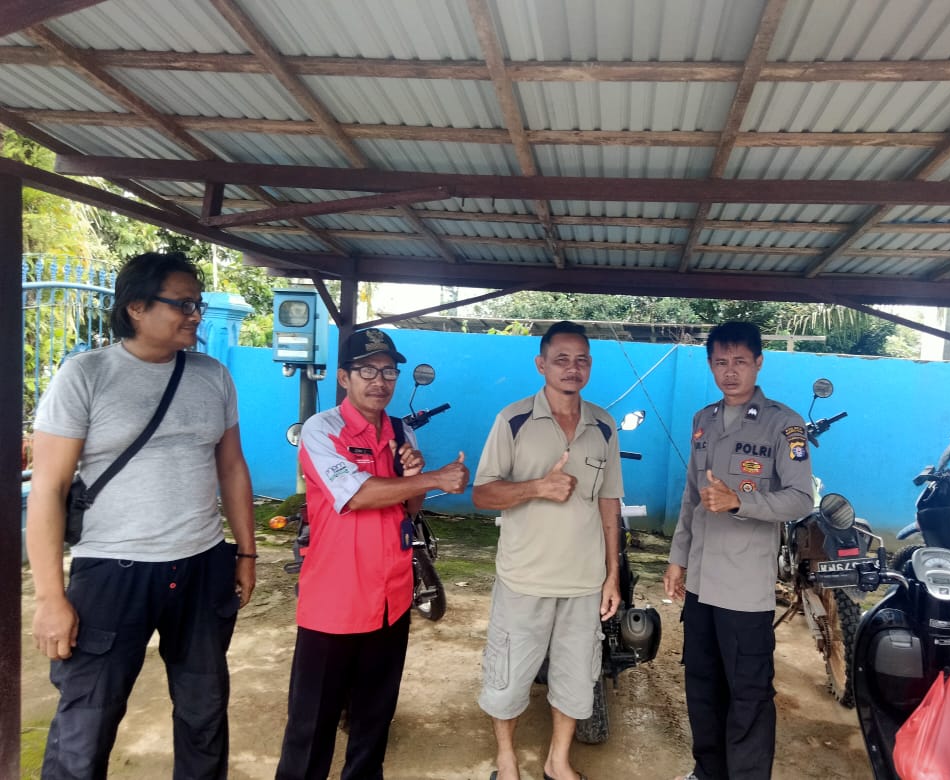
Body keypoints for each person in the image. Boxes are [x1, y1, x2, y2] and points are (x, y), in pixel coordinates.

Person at [27, 251, 257, 779]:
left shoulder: (213, 376)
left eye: (198, 305)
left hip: (200, 567)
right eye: (184, 304)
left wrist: (245, 553)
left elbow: (231, 467)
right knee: (86, 726)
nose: (196, 315)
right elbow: (48, 488)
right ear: (136, 307)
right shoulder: (86, 375)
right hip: (112, 572)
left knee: (204, 714)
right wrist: (50, 599)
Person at [276, 327, 470, 780]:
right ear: (344, 377)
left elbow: (410, 508)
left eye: (388, 371)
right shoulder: (323, 430)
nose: (379, 381)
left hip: (390, 600)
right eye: (367, 370)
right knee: (311, 728)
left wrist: (416, 477)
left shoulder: (402, 431)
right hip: (335, 604)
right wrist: (434, 479)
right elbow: (357, 495)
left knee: (373, 721)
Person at [664, 321, 815, 780]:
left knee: (748, 693)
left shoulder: (783, 423)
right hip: (701, 583)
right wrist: (677, 558)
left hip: (745, 589)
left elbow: (801, 499)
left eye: (740, 362)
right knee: (702, 685)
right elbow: (692, 497)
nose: (730, 372)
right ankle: (707, 771)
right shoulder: (703, 420)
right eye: (720, 362)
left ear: (758, 363)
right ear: (711, 365)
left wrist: (740, 502)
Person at [473, 320, 623, 780]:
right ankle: (507, 760)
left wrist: (612, 573)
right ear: (541, 364)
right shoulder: (513, 420)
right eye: (561, 359)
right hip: (525, 577)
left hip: (583, 581)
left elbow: (609, 500)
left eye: (581, 360)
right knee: (509, 676)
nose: (572, 368)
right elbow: (482, 494)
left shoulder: (604, 424)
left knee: (577, 677)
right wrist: (537, 487)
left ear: (590, 366)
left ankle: (558, 761)